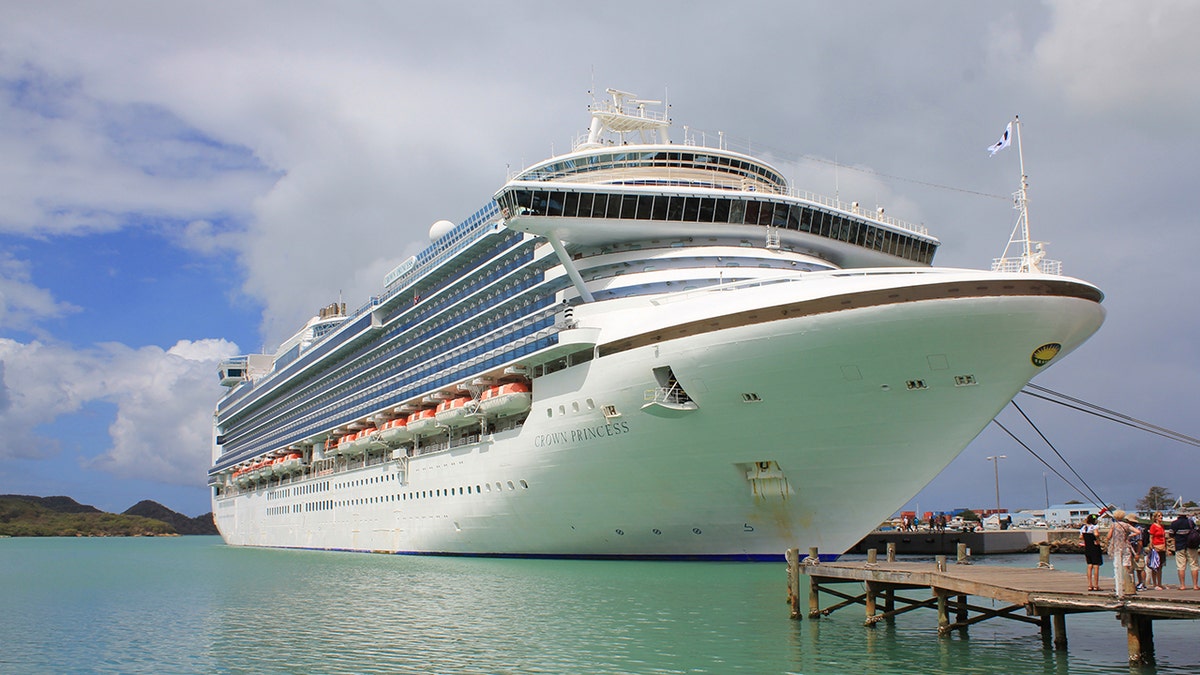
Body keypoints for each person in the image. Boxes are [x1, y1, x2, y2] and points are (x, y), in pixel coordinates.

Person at [1106, 509, 1135, 596]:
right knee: (1126, 565)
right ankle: (1128, 586)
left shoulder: (1114, 525)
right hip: (1126, 546)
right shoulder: (1126, 525)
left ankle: (1118, 586)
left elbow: (1108, 536)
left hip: (1117, 547)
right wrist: (1128, 536)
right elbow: (1137, 531)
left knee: (1117, 566)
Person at [1168, 512, 1200, 590]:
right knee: (1194, 565)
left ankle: (1182, 585)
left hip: (1179, 546)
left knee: (1181, 566)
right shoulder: (1190, 522)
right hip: (1191, 546)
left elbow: (1171, 534)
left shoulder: (1174, 523)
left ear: (1178, 514)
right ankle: (1195, 585)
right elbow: (1197, 531)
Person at [1079, 514, 1103, 591]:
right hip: (1094, 547)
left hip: (1087, 548)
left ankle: (1090, 585)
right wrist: (1097, 538)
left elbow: (1081, 537)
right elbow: (1096, 534)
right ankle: (1096, 585)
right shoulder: (1094, 527)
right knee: (1096, 566)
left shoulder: (1084, 527)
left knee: (1089, 565)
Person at [1148, 511, 1167, 590]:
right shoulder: (1153, 526)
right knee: (1155, 566)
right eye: (1159, 516)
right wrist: (1152, 546)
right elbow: (1151, 537)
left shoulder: (1162, 526)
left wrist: (1166, 547)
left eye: (1161, 516)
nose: (1161, 517)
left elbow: (1164, 537)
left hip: (1162, 547)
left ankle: (1160, 583)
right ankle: (1155, 584)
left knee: (1160, 566)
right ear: (1155, 518)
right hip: (1156, 547)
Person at [1127, 513, 1146, 591]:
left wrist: (1137, 553)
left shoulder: (1138, 529)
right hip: (1131, 550)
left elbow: (1140, 542)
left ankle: (1142, 583)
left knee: (1140, 568)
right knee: (1132, 568)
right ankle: (1135, 583)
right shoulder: (1129, 528)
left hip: (1137, 551)